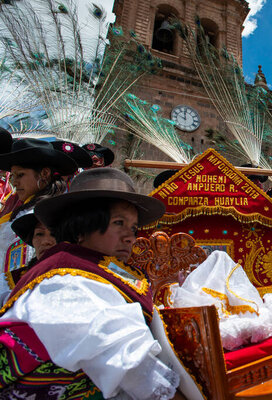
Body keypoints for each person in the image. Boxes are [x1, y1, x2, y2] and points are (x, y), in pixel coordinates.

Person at [0, 167, 182, 399]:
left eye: (134, 228)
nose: (130, 237)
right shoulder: (65, 281)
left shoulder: (101, 269)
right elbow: (128, 364)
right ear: (81, 227)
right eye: (118, 223)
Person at [0, 137, 78, 298]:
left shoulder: (39, 216)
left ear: (44, 174)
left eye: (20, 175)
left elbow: (20, 270)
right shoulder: (24, 209)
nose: (14, 182)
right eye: (13, 176)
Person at [8, 213, 56, 287]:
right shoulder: (9, 283)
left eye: (54, 234)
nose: (45, 241)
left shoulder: (78, 277)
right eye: (39, 234)